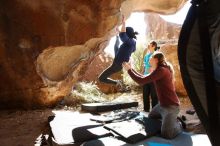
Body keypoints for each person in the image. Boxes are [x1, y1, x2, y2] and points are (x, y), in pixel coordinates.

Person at [122, 51, 182, 139]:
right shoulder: (158, 69)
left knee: (167, 134)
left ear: (156, 59)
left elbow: (141, 81)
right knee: (151, 117)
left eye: (151, 58)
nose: (149, 59)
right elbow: (143, 78)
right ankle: (168, 120)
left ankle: (178, 123)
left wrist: (129, 70)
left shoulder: (162, 70)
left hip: (171, 106)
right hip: (161, 105)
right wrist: (131, 69)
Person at [99, 15, 138, 90]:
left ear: (128, 34)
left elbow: (123, 35)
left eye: (126, 32)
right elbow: (123, 36)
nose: (124, 34)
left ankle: (117, 83)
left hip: (117, 65)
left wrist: (123, 23)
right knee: (116, 46)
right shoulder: (130, 43)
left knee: (101, 78)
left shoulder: (131, 42)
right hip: (117, 63)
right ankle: (117, 83)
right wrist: (118, 32)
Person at [142, 41, 158, 112]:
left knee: (154, 95)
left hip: (153, 78)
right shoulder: (146, 56)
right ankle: (146, 110)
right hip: (145, 78)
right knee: (145, 95)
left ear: (154, 46)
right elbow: (145, 67)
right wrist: (142, 75)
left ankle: (155, 111)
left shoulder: (156, 55)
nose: (148, 46)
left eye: (150, 45)